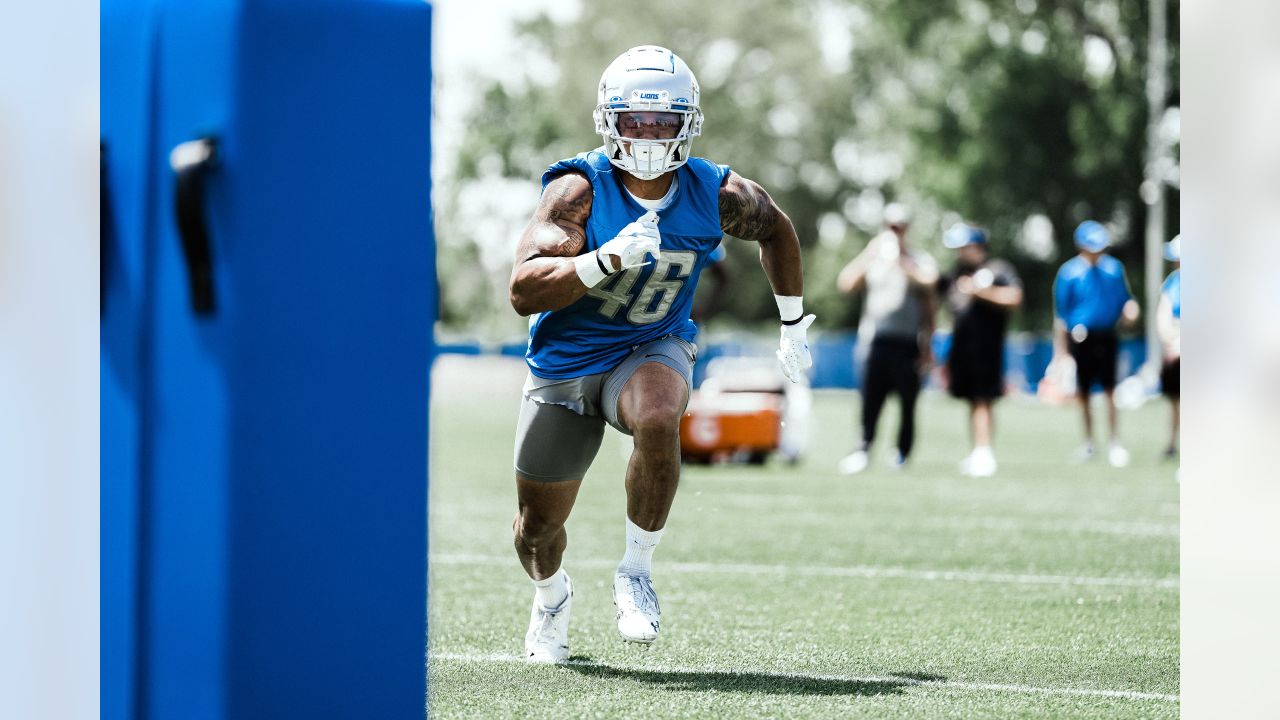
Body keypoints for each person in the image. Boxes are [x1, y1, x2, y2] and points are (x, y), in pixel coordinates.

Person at [507, 45, 812, 663]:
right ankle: (552, 597)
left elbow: (777, 228)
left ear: (687, 123)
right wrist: (600, 261)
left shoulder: (713, 190)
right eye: (634, 120)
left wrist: (791, 323)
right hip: (564, 365)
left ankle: (636, 570)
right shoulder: (578, 191)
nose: (648, 134)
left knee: (657, 412)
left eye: (663, 120)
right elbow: (522, 289)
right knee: (536, 531)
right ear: (609, 122)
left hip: (649, 345)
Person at [835, 203, 939, 473]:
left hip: (907, 342)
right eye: (891, 226)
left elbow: (930, 286)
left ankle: (902, 453)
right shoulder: (874, 259)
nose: (896, 232)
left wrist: (902, 260)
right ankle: (863, 449)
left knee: (907, 403)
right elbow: (845, 283)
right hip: (875, 341)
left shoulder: (918, 259)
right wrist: (870, 255)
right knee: (870, 400)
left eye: (900, 227)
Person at [1050, 220, 1140, 467]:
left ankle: (1114, 442)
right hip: (1080, 338)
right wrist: (1061, 353)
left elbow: (1126, 301)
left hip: (1107, 335)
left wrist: (1130, 311)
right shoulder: (1068, 273)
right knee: (1084, 393)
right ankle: (1089, 442)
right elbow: (1061, 316)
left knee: (1111, 390)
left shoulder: (1114, 269)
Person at [937, 223, 1023, 477]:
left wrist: (981, 292)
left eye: (963, 247)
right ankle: (977, 450)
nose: (959, 253)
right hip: (962, 349)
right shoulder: (954, 274)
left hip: (987, 348)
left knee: (983, 399)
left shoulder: (997, 270)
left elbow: (1015, 298)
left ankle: (985, 452)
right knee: (972, 401)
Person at [1157, 234, 1180, 458]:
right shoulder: (1172, 282)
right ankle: (1172, 444)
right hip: (1174, 352)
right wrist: (1171, 342)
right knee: (1175, 400)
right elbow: (1163, 317)